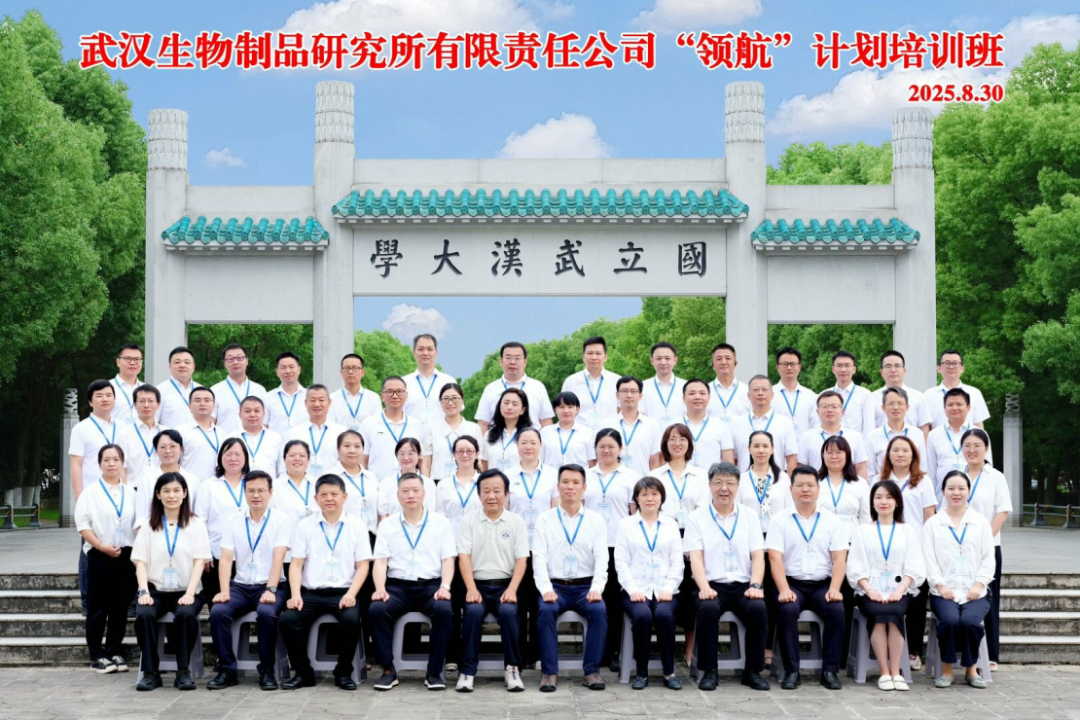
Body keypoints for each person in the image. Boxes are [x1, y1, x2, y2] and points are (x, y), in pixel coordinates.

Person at [279, 475, 373, 691]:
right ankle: (304, 673)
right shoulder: (305, 526)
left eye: (334, 494)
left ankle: (343, 672)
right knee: (288, 620)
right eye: (324, 494)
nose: (329, 498)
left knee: (351, 620)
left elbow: (363, 566)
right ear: (316, 498)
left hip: (344, 591)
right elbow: (296, 565)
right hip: (311, 592)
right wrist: (296, 595)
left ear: (344, 497)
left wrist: (351, 594)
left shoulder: (357, 526)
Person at [686, 462, 771, 692]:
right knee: (707, 608)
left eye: (730, 483)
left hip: (744, 584)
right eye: (718, 483)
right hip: (711, 584)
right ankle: (709, 671)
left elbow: (758, 556)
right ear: (709, 485)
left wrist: (755, 585)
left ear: (737, 486)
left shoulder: (749, 516)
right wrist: (704, 587)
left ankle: (752, 671)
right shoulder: (696, 517)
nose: (724, 488)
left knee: (758, 608)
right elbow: (695, 558)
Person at [369, 473, 457, 691]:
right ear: (398, 496)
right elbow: (380, 561)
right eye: (405, 491)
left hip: (431, 586)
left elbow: (448, 559)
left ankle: (434, 672)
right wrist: (380, 589)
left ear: (424, 494)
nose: (411, 495)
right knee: (377, 609)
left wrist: (445, 586)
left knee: (444, 610)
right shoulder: (388, 524)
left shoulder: (440, 522)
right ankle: (388, 670)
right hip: (398, 587)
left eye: (415, 490)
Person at [766, 465, 848, 690]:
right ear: (791, 489)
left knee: (837, 610)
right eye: (800, 485)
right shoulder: (779, 520)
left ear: (818, 489)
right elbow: (774, 558)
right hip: (791, 583)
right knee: (786, 610)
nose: (805, 489)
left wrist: (835, 588)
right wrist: (784, 589)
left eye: (810, 485)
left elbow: (839, 558)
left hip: (822, 584)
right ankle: (792, 671)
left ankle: (830, 671)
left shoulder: (832, 520)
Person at [207, 470, 291, 690]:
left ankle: (267, 671)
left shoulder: (281, 519)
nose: (256, 495)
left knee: (266, 613)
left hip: (271, 585)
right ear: (244, 493)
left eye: (261, 490)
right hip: (241, 585)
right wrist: (224, 590)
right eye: (251, 490)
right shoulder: (232, 520)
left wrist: (270, 589)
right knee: (218, 612)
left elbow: (279, 557)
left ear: (270, 493)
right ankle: (227, 670)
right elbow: (226, 558)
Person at [131, 472, 212, 691]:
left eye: (176, 490)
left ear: (185, 493)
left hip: (187, 590)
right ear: (158, 495)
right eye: (166, 491)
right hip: (155, 591)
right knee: (144, 615)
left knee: (185, 615)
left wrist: (190, 593)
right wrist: (143, 592)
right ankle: (150, 673)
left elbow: (199, 562)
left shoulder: (196, 524)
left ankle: (183, 671)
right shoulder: (148, 525)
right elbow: (140, 562)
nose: (171, 495)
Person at [533, 464, 609, 692]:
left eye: (576, 483)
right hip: (556, 587)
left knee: (599, 611)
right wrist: (545, 588)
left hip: (585, 587)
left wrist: (597, 588)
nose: (570, 487)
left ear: (584, 488)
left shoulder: (596, 520)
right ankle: (549, 672)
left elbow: (602, 559)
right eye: (565, 482)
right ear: (558, 486)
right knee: (545, 611)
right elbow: (539, 558)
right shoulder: (545, 519)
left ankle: (592, 671)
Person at [846, 479, 926, 691]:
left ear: (897, 502)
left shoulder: (907, 531)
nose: (884, 502)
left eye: (889, 497)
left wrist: (900, 590)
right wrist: (869, 589)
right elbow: (855, 565)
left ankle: (896, 671)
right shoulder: (862, 530)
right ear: (872, 502)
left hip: (899, 591)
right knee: (879, 613)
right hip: (869, 590)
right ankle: (884, 672)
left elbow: (915, 564)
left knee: (894, 612)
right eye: (879, 497)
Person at [457, 469, 530, 693]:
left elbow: (522, 559)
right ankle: (467, 672)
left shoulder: (516, 522)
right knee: (473, 613)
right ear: (479, 494)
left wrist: (512, 589)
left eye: (497, 491)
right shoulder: (468, 521)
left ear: (506, 494)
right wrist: (470, 588)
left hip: (505, 585)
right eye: (486, 491)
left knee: (509, 613)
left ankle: (512, 669)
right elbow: (463, 557)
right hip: (477, 584)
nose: (491, 496)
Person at [922, 470, 996, 689]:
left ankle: (971, 670)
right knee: (950, 621)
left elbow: (988, 558)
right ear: (943, 492)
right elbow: (928, 559)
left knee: (970, 622)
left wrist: (979, 584)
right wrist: (940, 585)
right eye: (951, 488)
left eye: (961, 488)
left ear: (968, 492)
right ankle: (946, 670)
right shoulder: (933, 524)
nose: (956, 493)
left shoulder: (980, 522)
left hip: (976, 591)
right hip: (943, 591)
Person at [614, 476, 684, 690]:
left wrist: (669, 588)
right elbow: (621, 562)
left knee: (664, 615)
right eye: (644, 494)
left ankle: (669, 673)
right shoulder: (626, 525)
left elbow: (677, 562)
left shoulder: (671, 524)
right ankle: (641, 673)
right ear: (637, 498)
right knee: (642, 616)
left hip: (666, 589)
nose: (649, 498)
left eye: (654, 494)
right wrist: (632, 589)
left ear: (662, 497)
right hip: (635, 589)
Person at [76, 444, 137, 674]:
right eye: (106, 460)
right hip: (99, 555)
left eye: (116, 459)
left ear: (122, 462)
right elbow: (83, 525)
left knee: (120, 607)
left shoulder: (131, 493)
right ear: (99, 464)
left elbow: (138, 524)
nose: (112, 464)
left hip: (125, 556)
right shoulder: (90, 492)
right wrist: (101, 546)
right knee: (98, 607)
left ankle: (114, 651)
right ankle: (97, 655)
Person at [878, 435, 937, 671]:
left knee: (916, 602)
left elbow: (929, 517)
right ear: (889, 455)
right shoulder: (880, 480)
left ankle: (913, 650)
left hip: (915, 550)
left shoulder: (923, 482)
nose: (900, 454)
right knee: (887, 597)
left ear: (913, 455)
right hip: (887, 549)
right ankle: (885, 649)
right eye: (896, 450)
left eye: (905, 450)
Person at [735, 431, 792, 668]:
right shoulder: (740, 479)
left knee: (772, 595)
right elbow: (736, 512)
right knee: (755, 595)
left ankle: (769, 648)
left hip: (776, 542)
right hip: (749, 543)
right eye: (756, 446)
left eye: (765, 446)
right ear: (749, 449)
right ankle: (754, 648)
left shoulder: (783, 479)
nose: (760, 450)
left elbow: (789, 511)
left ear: (772, 449)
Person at [507, 428, 561, 668]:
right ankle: (518, 656)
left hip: (543, 547)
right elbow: (506, 511)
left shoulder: (552, 475)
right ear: (517, 445)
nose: (528, 447)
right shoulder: (508, 475)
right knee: (518, 603)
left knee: (540, 603)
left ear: (541, 446)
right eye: (524, 442)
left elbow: (555, 513)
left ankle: (539, 654)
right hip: (516, 548)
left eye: (533, 442)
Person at [959, 429, 1011, 670]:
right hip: (959, 549)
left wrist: (985, 540)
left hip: (989, 547)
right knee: (962, 597)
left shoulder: (995, 477)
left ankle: (991, 654)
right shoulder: (957, 475)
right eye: (967, 445)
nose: (972, 450)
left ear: (986, 448)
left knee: (989, 599)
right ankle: (963, 651)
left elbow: (1003, 511)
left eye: (977, 445)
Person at [816, 435, 871, 666]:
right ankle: (823, 652)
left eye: (839, 451)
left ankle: (842, 656)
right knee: (824, 598)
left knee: (845, 602)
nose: (834, 456)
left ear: (848, 455)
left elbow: (866, 519)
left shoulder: (859, 484)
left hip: (851, 548)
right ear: (822, 455)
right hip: (821, 549)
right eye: (829, 451)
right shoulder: (816, 482)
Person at [70, 379, 118, 614]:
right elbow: (76, 465)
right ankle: (88, 602)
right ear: (90, 401)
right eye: (99, 395)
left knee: (121, 550)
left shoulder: (122, 427)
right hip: (93, 499)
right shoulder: (82, 428)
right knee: (89, 550)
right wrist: (80, 500)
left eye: (108, 395)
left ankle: (121, 601)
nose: (105, 399)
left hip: (119, 498)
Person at [192, 438, 250, 604]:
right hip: (215, 555)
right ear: (220, 458)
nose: (233, 458)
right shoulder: (209, 485)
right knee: (218, 606)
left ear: (245, 457)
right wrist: (204, 553)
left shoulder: (252, 483)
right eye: (228, 454)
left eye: (238, 454)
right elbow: (200, 522)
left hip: (249, 555)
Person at [925, 388, 994, 497]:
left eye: (959, 404)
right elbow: (931, 470)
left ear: (968, 407)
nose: (954, 408)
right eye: (950, 405)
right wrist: (931, 498)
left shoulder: (980, 434)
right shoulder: (934, 435)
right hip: (943, 497)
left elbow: (987, 467)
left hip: (974, 495)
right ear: (944, 408)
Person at [475, 342, 555, 432]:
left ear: (525, 362)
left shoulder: (538, 387)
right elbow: (483, 423)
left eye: (517, 358)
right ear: (501, 361)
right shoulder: (490, 389)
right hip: (498, 439)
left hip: (531, 440)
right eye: (508, 358)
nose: (512, 362)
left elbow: (546, 421)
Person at [729, 375, 798, 474]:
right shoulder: (736, 424)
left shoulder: (785, 423)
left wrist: (789, 482)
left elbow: (791, 458)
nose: (760, 393)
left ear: (772, 395)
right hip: (745, 481)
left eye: (764, 390)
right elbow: (733, 459)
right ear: (748, 395)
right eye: (756, 390)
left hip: (776, 481)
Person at [360, 376, 422, 481]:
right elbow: (363, 458)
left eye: (399, 392)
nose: (395, 396)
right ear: (382, 396)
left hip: (409, 485)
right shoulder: (369, 424)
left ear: (406, 396)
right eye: (389, 392)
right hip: (377, 484)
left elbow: (421, 460)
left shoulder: (416, 424)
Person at [598, 376, 662, 477]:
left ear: (640, 396)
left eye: (633, 391)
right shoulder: (605, 425)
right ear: (617, 395)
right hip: (612, 482)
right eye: (624, 391)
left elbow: (654, 460)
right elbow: (598, 458)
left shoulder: (652, 425)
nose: (629, 395)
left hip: (642, 482)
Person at [797, 391, 869, 478]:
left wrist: (861, 485)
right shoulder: (807, 437)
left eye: (834, 406)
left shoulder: (855, 436)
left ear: (842, 411)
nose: (829, 410)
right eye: (825, 406)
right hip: (817, 484)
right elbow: (801, 467)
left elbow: (861, 467)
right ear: (817, 411)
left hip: (848, 484)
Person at [135, 430, 201, 524]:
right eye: (163, 447)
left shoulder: (192, 480)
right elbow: (141, 518)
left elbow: (196, 515)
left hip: (186, 530)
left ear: (181, 449)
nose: (168, 451)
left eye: (172, 446)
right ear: (156, 451)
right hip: (155, 530)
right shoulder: (147, 480)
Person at [420, 382, 481, 479]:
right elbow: (426, 463)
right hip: (438, 482)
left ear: (462, 400)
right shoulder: (432, 428)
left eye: (455, 398)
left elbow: (479, 460)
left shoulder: (474, 428)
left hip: (467, 482)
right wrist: (426, 484)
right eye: (446, 399)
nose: (450, 402)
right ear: (440, 402)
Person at [865, 387, 927, 479]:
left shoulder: (917, 434)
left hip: (912, 486)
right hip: (884, 486)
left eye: (900, 403)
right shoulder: (873, 437)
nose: (896, 407)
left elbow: (922, 467)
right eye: (891, 403)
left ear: (907, 407)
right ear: (883, 408)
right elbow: (870, 473)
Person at [286, 384, 346, 478]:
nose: (317, 404)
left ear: (329, 402)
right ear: (306, 403)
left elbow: (345, 462)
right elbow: (285, 465)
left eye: (321, 400)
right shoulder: (294, 433)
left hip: (332, 483)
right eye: (312, 400)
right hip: (302, 483)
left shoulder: (341, 432)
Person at [561, 336, 620, 430]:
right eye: (589, 353)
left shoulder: (617, 381)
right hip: (579, 434)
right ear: (583, 356)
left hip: (609, 435)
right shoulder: (571, 382)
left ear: (605, 357)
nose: (594, 357)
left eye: (598, 353)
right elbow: (563, 411)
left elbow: (621, 409)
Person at [870, 350, 933, 437]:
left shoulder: (919, 397)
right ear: (881, 372)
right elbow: (869, 428)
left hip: (911, 444)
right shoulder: (872, 398)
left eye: (897, 366)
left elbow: (924, 428)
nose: (893, 370)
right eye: (888, 366)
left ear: (904, 370)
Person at [118, 384, 167, 495]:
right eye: (141, 401)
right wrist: (125, 493)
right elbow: (121, 467)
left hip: (162, 490)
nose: (146, 405)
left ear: (158, 405)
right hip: (134, 490)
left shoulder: (166, 433)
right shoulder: (125, 434)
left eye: (150, 401)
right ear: (135, 405)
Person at [679, 379, 735, 471]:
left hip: (711, 479)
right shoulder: (673, 426)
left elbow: (728, 462)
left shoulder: (721, 426)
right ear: (684, 399)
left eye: (702, 393)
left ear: (708, 398)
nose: (697, 397)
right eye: (692, 393)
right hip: (679, 478)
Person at [210, 344, 267, 435]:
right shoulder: (215, 391)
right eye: (230, 359)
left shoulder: (259, 390)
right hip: (226, 442)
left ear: (247, 360)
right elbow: (210, 422)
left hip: (254, 441)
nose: (235, 362)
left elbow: (265, 422)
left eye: (240, 358)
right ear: (225, 363)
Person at [332, 430, 380, 535]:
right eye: (347, 446)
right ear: (338, 449)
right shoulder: (330, 477)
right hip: (343, 536)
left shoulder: (371, 477)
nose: (352, 451)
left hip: (372, 536)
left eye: (357, 446)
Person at [928, 350, 990, 430]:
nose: (951, 367)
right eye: (947, 363)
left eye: (955, 363)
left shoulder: (974, 393)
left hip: (968, 438)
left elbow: (978, 425)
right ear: (939, 368)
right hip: (939, 438)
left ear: (962, 368)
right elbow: (927, 426)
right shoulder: (929, 395)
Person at [376, 438, 437, 519]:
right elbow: (383, 514)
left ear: (419, 455)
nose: (406, 458)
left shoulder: (428, 483)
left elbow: (431, 512)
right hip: (392, 526)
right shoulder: (386, 482)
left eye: (411, 453)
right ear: (396, 456)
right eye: (402, 454)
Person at [435, 435, 484, 537]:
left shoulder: (484, 482)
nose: (465, 455)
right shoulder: (443, 484)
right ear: (454, 454)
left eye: (469, 451)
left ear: (477, 454)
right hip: (451, 539)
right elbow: (440, 516)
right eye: (460, 451)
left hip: (479, 537)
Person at [403, 334, 457, 424]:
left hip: (442, 432)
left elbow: (456, 413)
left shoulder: (449, 382)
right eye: (420, 349)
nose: (425, 353)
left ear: (436, 352)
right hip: (410, 432)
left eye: (430, 349)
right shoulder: (403, 383)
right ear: (414, 352)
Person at [179, 387, 229, 484]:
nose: (202, 404)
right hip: (190, 486)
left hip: (217, 486)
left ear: (214, 406)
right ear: (189, 406)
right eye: (197, 400)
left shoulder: (222, 433)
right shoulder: (180, 432)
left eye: (207, 400)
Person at [540, 392, 596, 468]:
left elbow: (592, 462)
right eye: (561, 407)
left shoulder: (587, 432)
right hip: (551, 474)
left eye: (570, 407)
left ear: (577, 409)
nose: (566, 411)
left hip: (579, 474)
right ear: (555, 409)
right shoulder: (545, 432)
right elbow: (539, 459)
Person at [480, 388, 531, 472]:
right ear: (500, 406)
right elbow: (484, 464)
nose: (509, 407)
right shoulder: (489, 434)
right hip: (494, 480)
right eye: (506, 403)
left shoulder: (529, 435)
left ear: (522, 410)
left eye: (515, 404)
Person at [329, 353, 383, 430]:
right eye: (346, 368)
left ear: (363, 372)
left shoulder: (373, 398)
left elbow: (377, 425)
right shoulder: (332, 398)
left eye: (355, 368)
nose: (350, 372)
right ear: (341, 372)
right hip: (340, 437)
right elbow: (330, 426)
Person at [826, 351, 876, 435]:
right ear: (833, 369)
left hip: (854, 443)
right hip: (829, 441)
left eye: (847, 365)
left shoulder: (865, 395)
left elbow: (869, 426)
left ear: (854, 369)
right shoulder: (824, 395)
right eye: (839, 366)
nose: (843, 369)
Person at [771, 347, 818, 437]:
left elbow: (815, 425)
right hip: (777, 444)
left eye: (793, 364)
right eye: (785, 364)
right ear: (777, 367)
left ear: (799, 367)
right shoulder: (769, 395)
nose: (789, 367)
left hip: (803, 444)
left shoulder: (811, 396)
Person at [237, 396, 284, 479]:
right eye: (247, 411)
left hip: (269, 486)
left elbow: (282, 469)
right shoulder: (231, 438)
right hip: (240, 486)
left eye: (257, 411)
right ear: (240, 415)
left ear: (264, 414)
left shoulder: (276, 438)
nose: (252, 415)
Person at [156, 347, 201, 429]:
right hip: (171, 437)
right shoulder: (159, 391)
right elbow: (153, 422)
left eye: (187, 362)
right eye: (177, 362)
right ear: (169, 366)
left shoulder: (201, 390)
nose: (182, 365)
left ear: (193, 366)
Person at [273, 440, 317, 525]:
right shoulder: (274, 486)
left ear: (308, 460)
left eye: (302, 456)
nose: (297, 459)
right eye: (292, 455)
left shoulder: (318, 484)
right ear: (284, 459)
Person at [641, 342, 686, 426]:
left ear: (675, 360)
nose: (663, 362)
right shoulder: (642, 387)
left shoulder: (686, 387)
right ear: (652, 361)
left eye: (667, 358)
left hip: (679, 433)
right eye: (659, 358)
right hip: (651, 433)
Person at [265, 352, 307, 436]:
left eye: (291, 367)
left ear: (299, 369)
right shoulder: (267, 397)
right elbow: (264, 426)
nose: (288, 371)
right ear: (277, 372)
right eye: (283, 367)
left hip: (303, 443)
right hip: (276, 444)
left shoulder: (309, 396)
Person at [707, 343, 751, 423]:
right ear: (712, 364)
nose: (723, 362)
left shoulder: (748, 391)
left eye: (728, 358)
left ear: (735, 363)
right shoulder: (705, 392)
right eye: (719, 359)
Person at [111, 343, 144, 427]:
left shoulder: (147, 389)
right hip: (115, 434)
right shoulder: (107, 388)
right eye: (127, 359)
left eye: (137, 359)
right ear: (118, 362)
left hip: (141, 434)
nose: (132, 363)